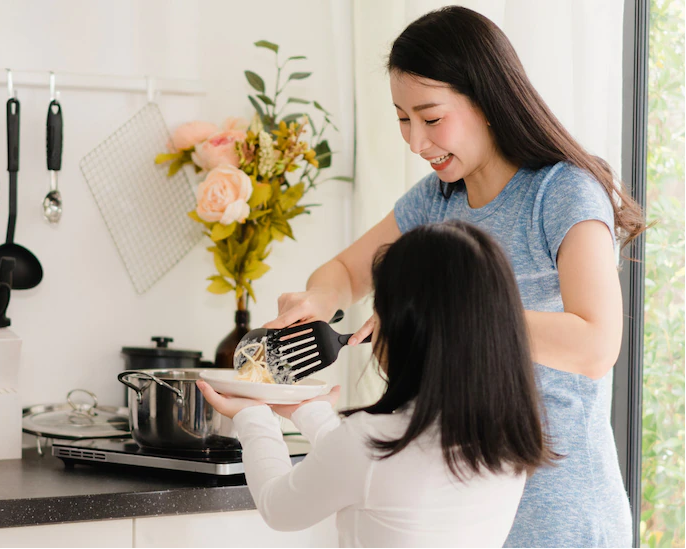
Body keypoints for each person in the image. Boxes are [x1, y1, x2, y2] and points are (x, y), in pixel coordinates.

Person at [256, 6, 642, 547]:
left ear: (486, 101)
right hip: (453, 506)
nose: (415, 142)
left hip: (557, 511)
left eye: (431, 118)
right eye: (401, 118)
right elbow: (345, 270)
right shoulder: (437, 201)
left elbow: (596, 344)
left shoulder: (562, 191)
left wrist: (454, 316)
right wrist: (320, 299)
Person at [199, 220, 554, 547]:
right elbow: (369, 470)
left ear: (407, 326)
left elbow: (280, 507)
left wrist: (253, 416)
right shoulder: (508, 441)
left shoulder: (371, 443)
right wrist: (313, 414)